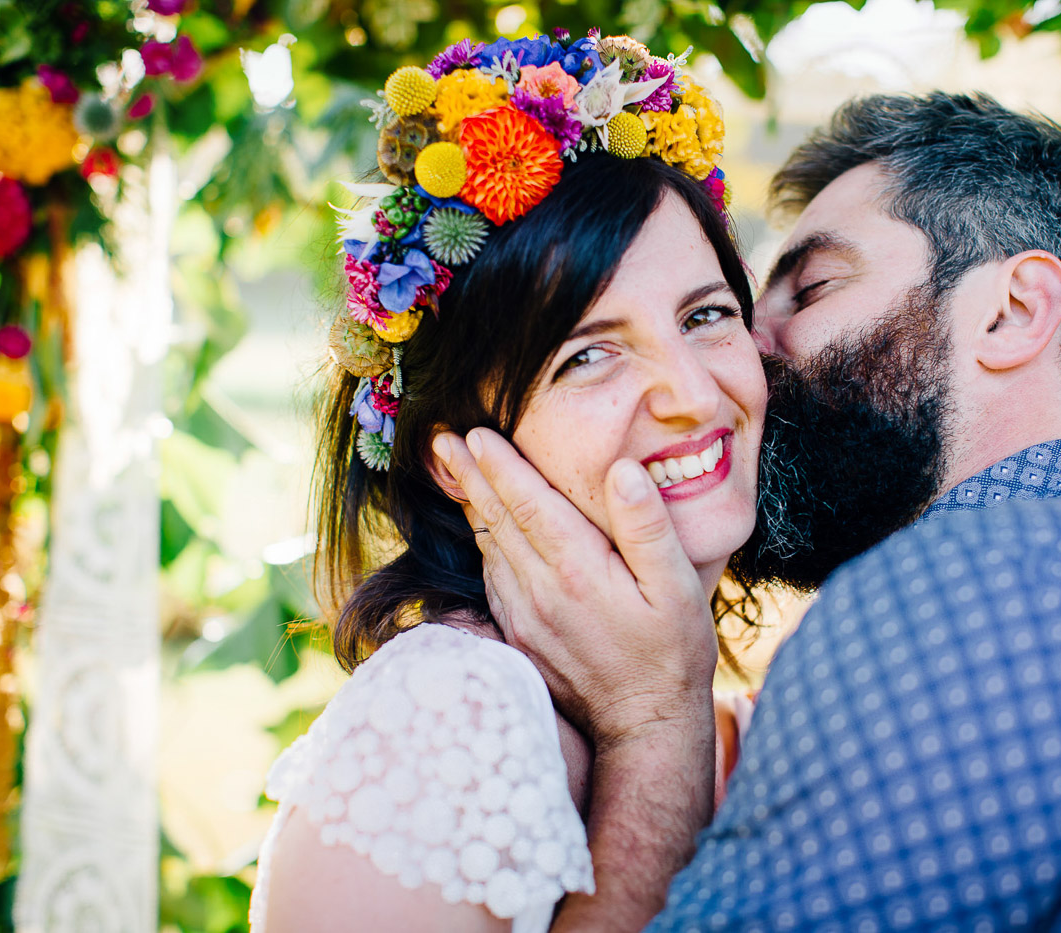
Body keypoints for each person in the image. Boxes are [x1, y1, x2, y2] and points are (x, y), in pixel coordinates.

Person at [436, 93, 1061, 930]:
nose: (749, 356)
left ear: (1012, 311)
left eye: (813, 288)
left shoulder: (962, 602)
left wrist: (653, 726)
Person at [249, 30, 767, 932]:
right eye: (589, 355)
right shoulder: (448, 717)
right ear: (455, 458)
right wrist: (652, 732)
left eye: (707, 313)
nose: (692, 394)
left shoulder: (775, 731)